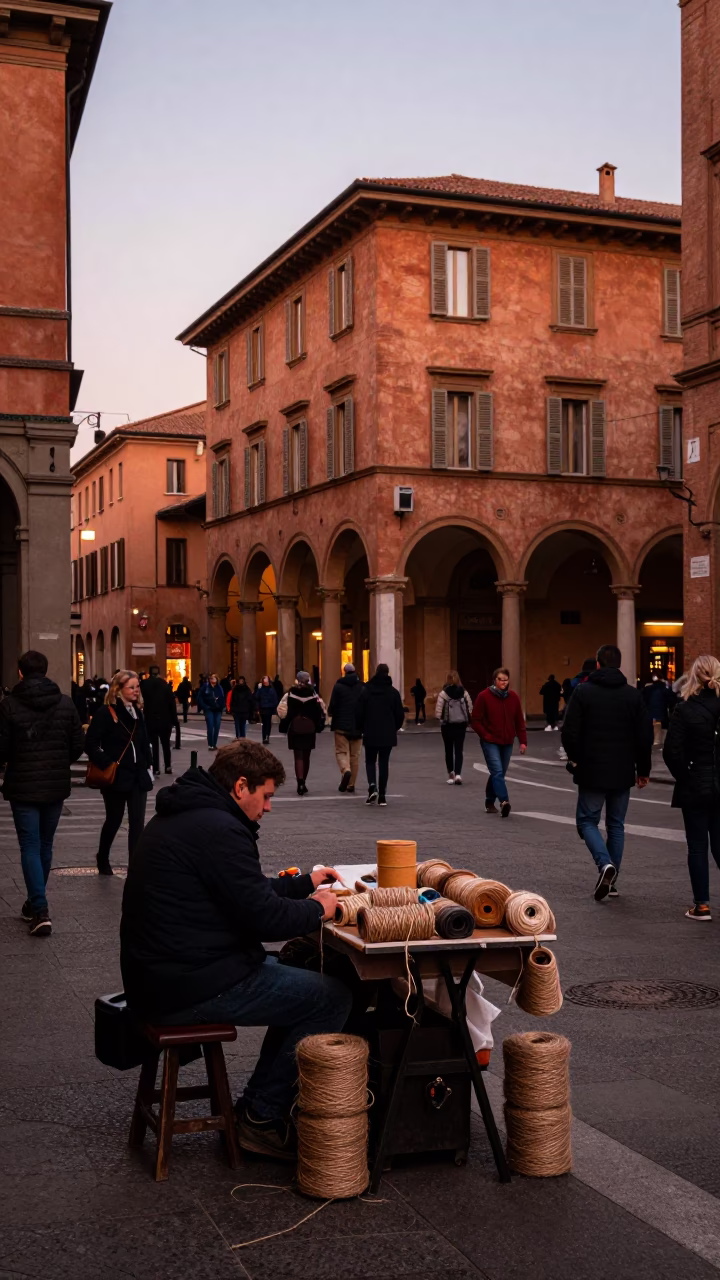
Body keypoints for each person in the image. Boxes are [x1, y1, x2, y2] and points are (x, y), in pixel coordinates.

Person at [120, 740, 349, 1159]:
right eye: (265, 796)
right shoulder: (219, 829)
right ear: (241, 786)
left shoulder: (190, 814)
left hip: (167, 974)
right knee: (330, 996)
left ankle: (261, 1106)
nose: (268, 808)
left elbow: (243, 891)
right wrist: (317, 910)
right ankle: (261, 1118)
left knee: (301, 982)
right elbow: (262, 918)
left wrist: (304, 884)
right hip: (187, 984)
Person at [0, 650, 84, 935]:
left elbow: (2, 748)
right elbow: (77, 745)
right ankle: (33, 904)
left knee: (30, 846)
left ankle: (39, 909)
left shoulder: (9, 705)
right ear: (46, 671)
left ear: (20, 672)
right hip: (55, 784)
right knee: (44, 845)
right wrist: (59, 763)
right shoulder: (65, 703)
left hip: (23, 786)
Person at [561, 643, 652, 901]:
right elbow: (644, 737)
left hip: (591, 768)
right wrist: (642, 769)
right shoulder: (633, 696)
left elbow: (569, 731)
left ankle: (605, 865)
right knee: (616, 825)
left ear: (598, 664)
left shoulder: (583, 692)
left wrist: (575, 758)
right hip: (622, 769)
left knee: (587, 821)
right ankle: (612, 881)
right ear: (619, 665)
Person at [663, 655, 720, 921]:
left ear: (693, 676)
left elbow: (672, 752)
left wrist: (684, 778)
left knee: (697, 846)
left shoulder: (684, 709)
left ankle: (702, 905)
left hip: (695, 782)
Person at [85, 670, 154, 875]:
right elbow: (90, 743)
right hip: (116, 776)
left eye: (137, 687)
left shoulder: (137, 711)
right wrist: (107, 762)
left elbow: (143, 741)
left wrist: (148, 764)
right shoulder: (106, 713)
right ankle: (103, 856)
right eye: (131, 687)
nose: (136, 691)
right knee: (114, 819)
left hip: (138, 775)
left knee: (137, 823)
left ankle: (135, 866)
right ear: (118, 689)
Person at [471, 667, 527, 817]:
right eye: (500, 679)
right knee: (497, 771)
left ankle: (489, 801)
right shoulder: (484, 696)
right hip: (490, 741)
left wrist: (523, 741)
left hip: (507, 741)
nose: (503, 682)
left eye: (506, 679)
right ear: (494, 680)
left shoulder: (513, 697)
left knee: (499, 773)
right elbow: (475, 721)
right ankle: (504, 801)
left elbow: (519, 721)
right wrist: (485, 735)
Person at [356, 662, 404, 807]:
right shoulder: (393, 693)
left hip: (370, 731)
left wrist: (361, 727)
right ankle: (382, 795)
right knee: (383, 762)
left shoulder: (366, 690)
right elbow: (399, 715)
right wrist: (394, 727)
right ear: (387, 673)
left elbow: (359, 712)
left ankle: (372, 785)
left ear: (376, 672)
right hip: (387, 733)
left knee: (370, 761)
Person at [277, 671, 325, 795]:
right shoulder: (313, 694)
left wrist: (285, 723)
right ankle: (304, 781)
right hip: (309, 727)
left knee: (298, 756)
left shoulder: (291, 693)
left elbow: (282, 710)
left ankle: (300, 783)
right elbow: (320, 710)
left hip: (295, 727)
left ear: (297, 680)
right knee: (306, 755)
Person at [328, 662, 363, 793]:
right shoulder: (362, 687)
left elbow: (332, 705)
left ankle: (345, 770)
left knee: (341, 752)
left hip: (341, 726)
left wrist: (331, 713)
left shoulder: (338, 686)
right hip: (358, 726)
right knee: (355, 756)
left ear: (344, 672)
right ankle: (351, 784)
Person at [435, 671, 474, 784]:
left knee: (448, 749)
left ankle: (451, 773)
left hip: (447, 725)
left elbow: (438, 711)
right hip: (461, 725)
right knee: (459, 750)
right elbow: (470, 708)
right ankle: (458, 774)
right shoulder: (464, 692)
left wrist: (441, 719)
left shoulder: (444, 693)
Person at [141, 664, 177, 776]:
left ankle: (156, 767)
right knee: (166, 744)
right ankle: (167, 766)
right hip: (165, 719)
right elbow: (172, 703)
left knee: (154, 745)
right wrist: (174, 719)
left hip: (150, 719)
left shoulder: (144, 685)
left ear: (149, 673)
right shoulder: (165, 685)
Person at [642, 675, 673, 748]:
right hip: (661, 714)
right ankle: (657, 744)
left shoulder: (647, 689)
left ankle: (653, 743)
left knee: (653, 728)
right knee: (659, 730)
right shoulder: (665, 689)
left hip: (649, 714)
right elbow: (671, 700)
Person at [197, 673, 225, 749]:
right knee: (210, 726)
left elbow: (222, 698)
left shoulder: (219, 688)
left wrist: (221, 706)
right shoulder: (205, 687)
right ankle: (210, 744)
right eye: (211, 678)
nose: (211, 679)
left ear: (217, 679)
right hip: (209, 709)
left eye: (213, 678)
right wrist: (205, 707)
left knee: (217, 727)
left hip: (217, 710)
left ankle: (214, 744)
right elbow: (200, 697)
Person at [254, 675, 279, 745]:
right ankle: (265, 736)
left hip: (269, 708)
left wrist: (274, 708)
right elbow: (257, 697)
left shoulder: (271, 689)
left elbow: (275, 699)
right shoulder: (261, 689)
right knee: (265, 723)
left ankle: (266, 736)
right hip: (263, 708)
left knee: (267, 723)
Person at [230, 675, 255, 740]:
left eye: (242, 681)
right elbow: (232, 700)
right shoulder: (235, 689)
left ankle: (243, 738)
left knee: (243, 725)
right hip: (236, 710)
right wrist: (232, 709)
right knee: (237, 725)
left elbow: (250, 701)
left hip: (244, 710)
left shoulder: (247, 690)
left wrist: (250, 710)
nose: (241, 682)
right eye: (240, 681)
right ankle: (238, 737)